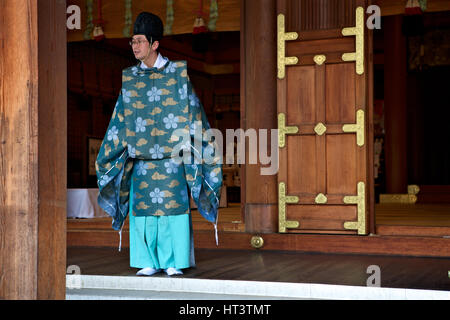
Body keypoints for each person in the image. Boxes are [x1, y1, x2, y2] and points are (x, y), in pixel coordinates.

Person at [95, 12, 223, 277]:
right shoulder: (130, 79)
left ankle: (174, 260)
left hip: (172, 160)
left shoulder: (177, 75)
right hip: (141, 161)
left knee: (172, 209)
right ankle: (147, 260)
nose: (134, 46)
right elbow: (120, 120)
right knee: (143, 210)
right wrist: (109, 153)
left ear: (155, 44)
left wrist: (202, 148)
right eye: (132, 41)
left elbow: (194, 114)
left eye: (140, 41)